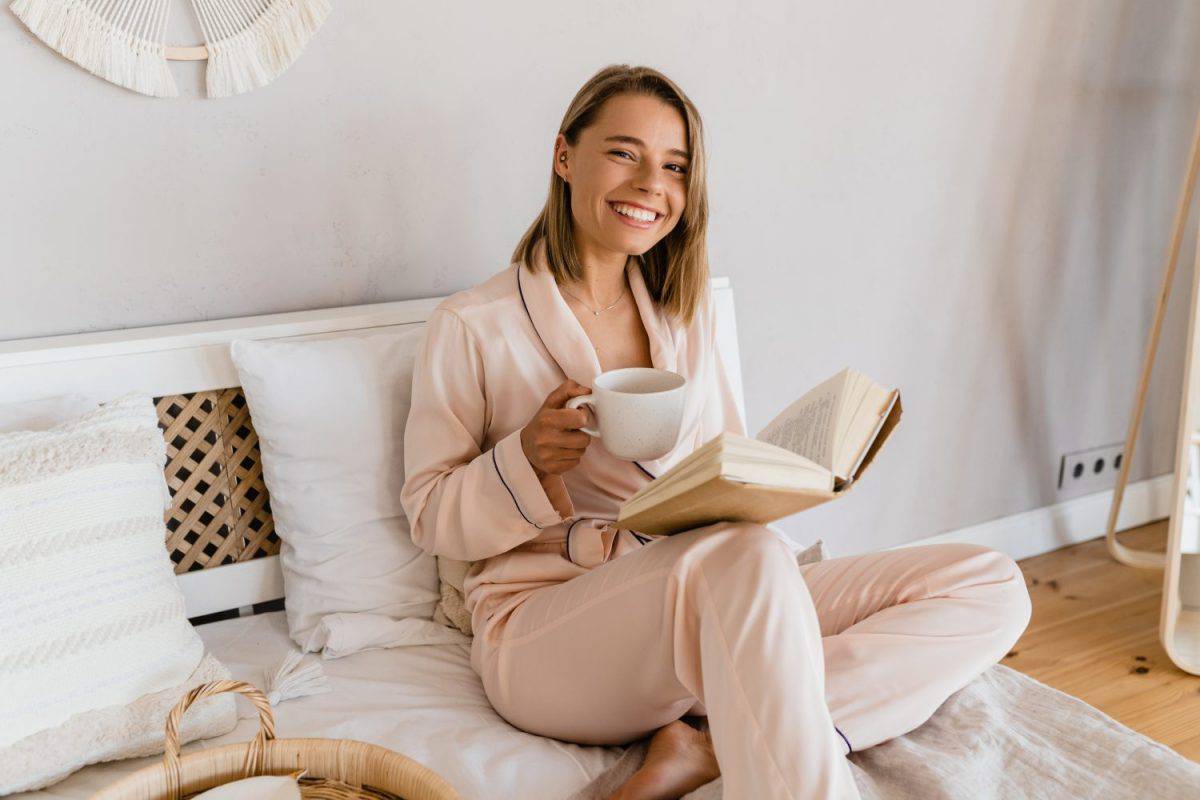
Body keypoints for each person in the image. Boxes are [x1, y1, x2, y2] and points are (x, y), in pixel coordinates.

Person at [400, 64, 1032, 800]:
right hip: (544, 628)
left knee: (989, 583)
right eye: (624, 152)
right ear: (564, 156)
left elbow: (726, 464)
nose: (650, 184)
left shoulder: (684, 314)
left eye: (675, 167)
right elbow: (428, 516)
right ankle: (768, 743)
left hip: (709, 590)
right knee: (739, 556)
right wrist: (524, 462)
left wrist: (785, 479)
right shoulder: (471, 324)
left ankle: (709, 744)